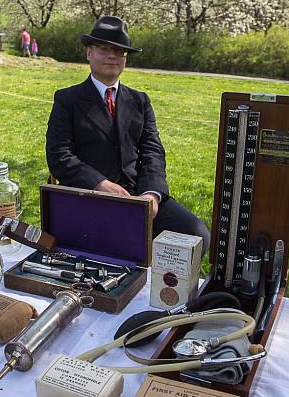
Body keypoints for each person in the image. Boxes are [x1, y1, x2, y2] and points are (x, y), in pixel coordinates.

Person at [45, 16, 210, 252]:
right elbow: (59, 156)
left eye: (120, 51)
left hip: (138, 197)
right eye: (104, 49)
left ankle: (163, 288)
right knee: (112, 251)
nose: (113, 55)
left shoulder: (139, 101)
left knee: (196, 235)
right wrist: (100, 184)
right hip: (91, 198)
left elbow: (153, 152)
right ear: (89, 53)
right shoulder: (67, 99)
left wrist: (152, 195)